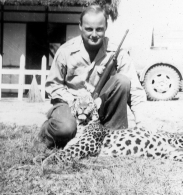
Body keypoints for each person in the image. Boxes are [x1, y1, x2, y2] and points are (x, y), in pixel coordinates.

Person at [39, 4, 146, 149]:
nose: (94, 34)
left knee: (122, 81)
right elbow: (53, 85)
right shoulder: (65, 51)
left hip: (98, 107)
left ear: (106, 27)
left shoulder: (117, 52)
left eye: (99, 29)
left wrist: (141, 123)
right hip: (70, 104)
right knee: (65, 128)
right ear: (80, 26)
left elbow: (135, 89)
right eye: (89, 29)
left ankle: (112, 136)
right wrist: (75, 103)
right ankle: (47, 132)